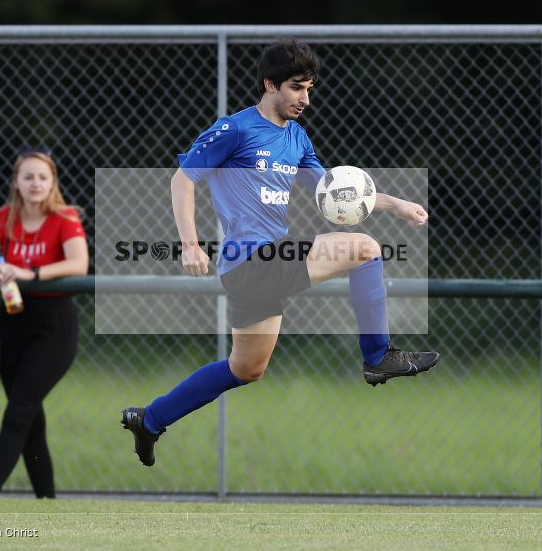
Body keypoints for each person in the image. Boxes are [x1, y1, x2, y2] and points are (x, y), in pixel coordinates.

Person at [121, 38, 439, 467]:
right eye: (296, 87)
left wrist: (395, 204)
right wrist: (191, 244)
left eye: (309, 88)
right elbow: (182, 180)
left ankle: (150, 419)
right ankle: (378, 356)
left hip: (257, 270)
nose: (305, 98)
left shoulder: (297, 138)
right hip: (254, 258)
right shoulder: (235, 129)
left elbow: (334, 193)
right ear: (269, 84)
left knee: (246, 368)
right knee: (365, 250)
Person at [0, 148, 88, 499]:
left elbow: (78, 264)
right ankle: (46, 500)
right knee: (30, 418)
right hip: (12, 321)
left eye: (42, 177)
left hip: (53, 327)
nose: (35, 184)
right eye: (28, 177)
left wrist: (28, 273)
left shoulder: (64, 218)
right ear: (17, 182)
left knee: (19, 409)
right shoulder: (5, 217)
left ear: (53, 183)